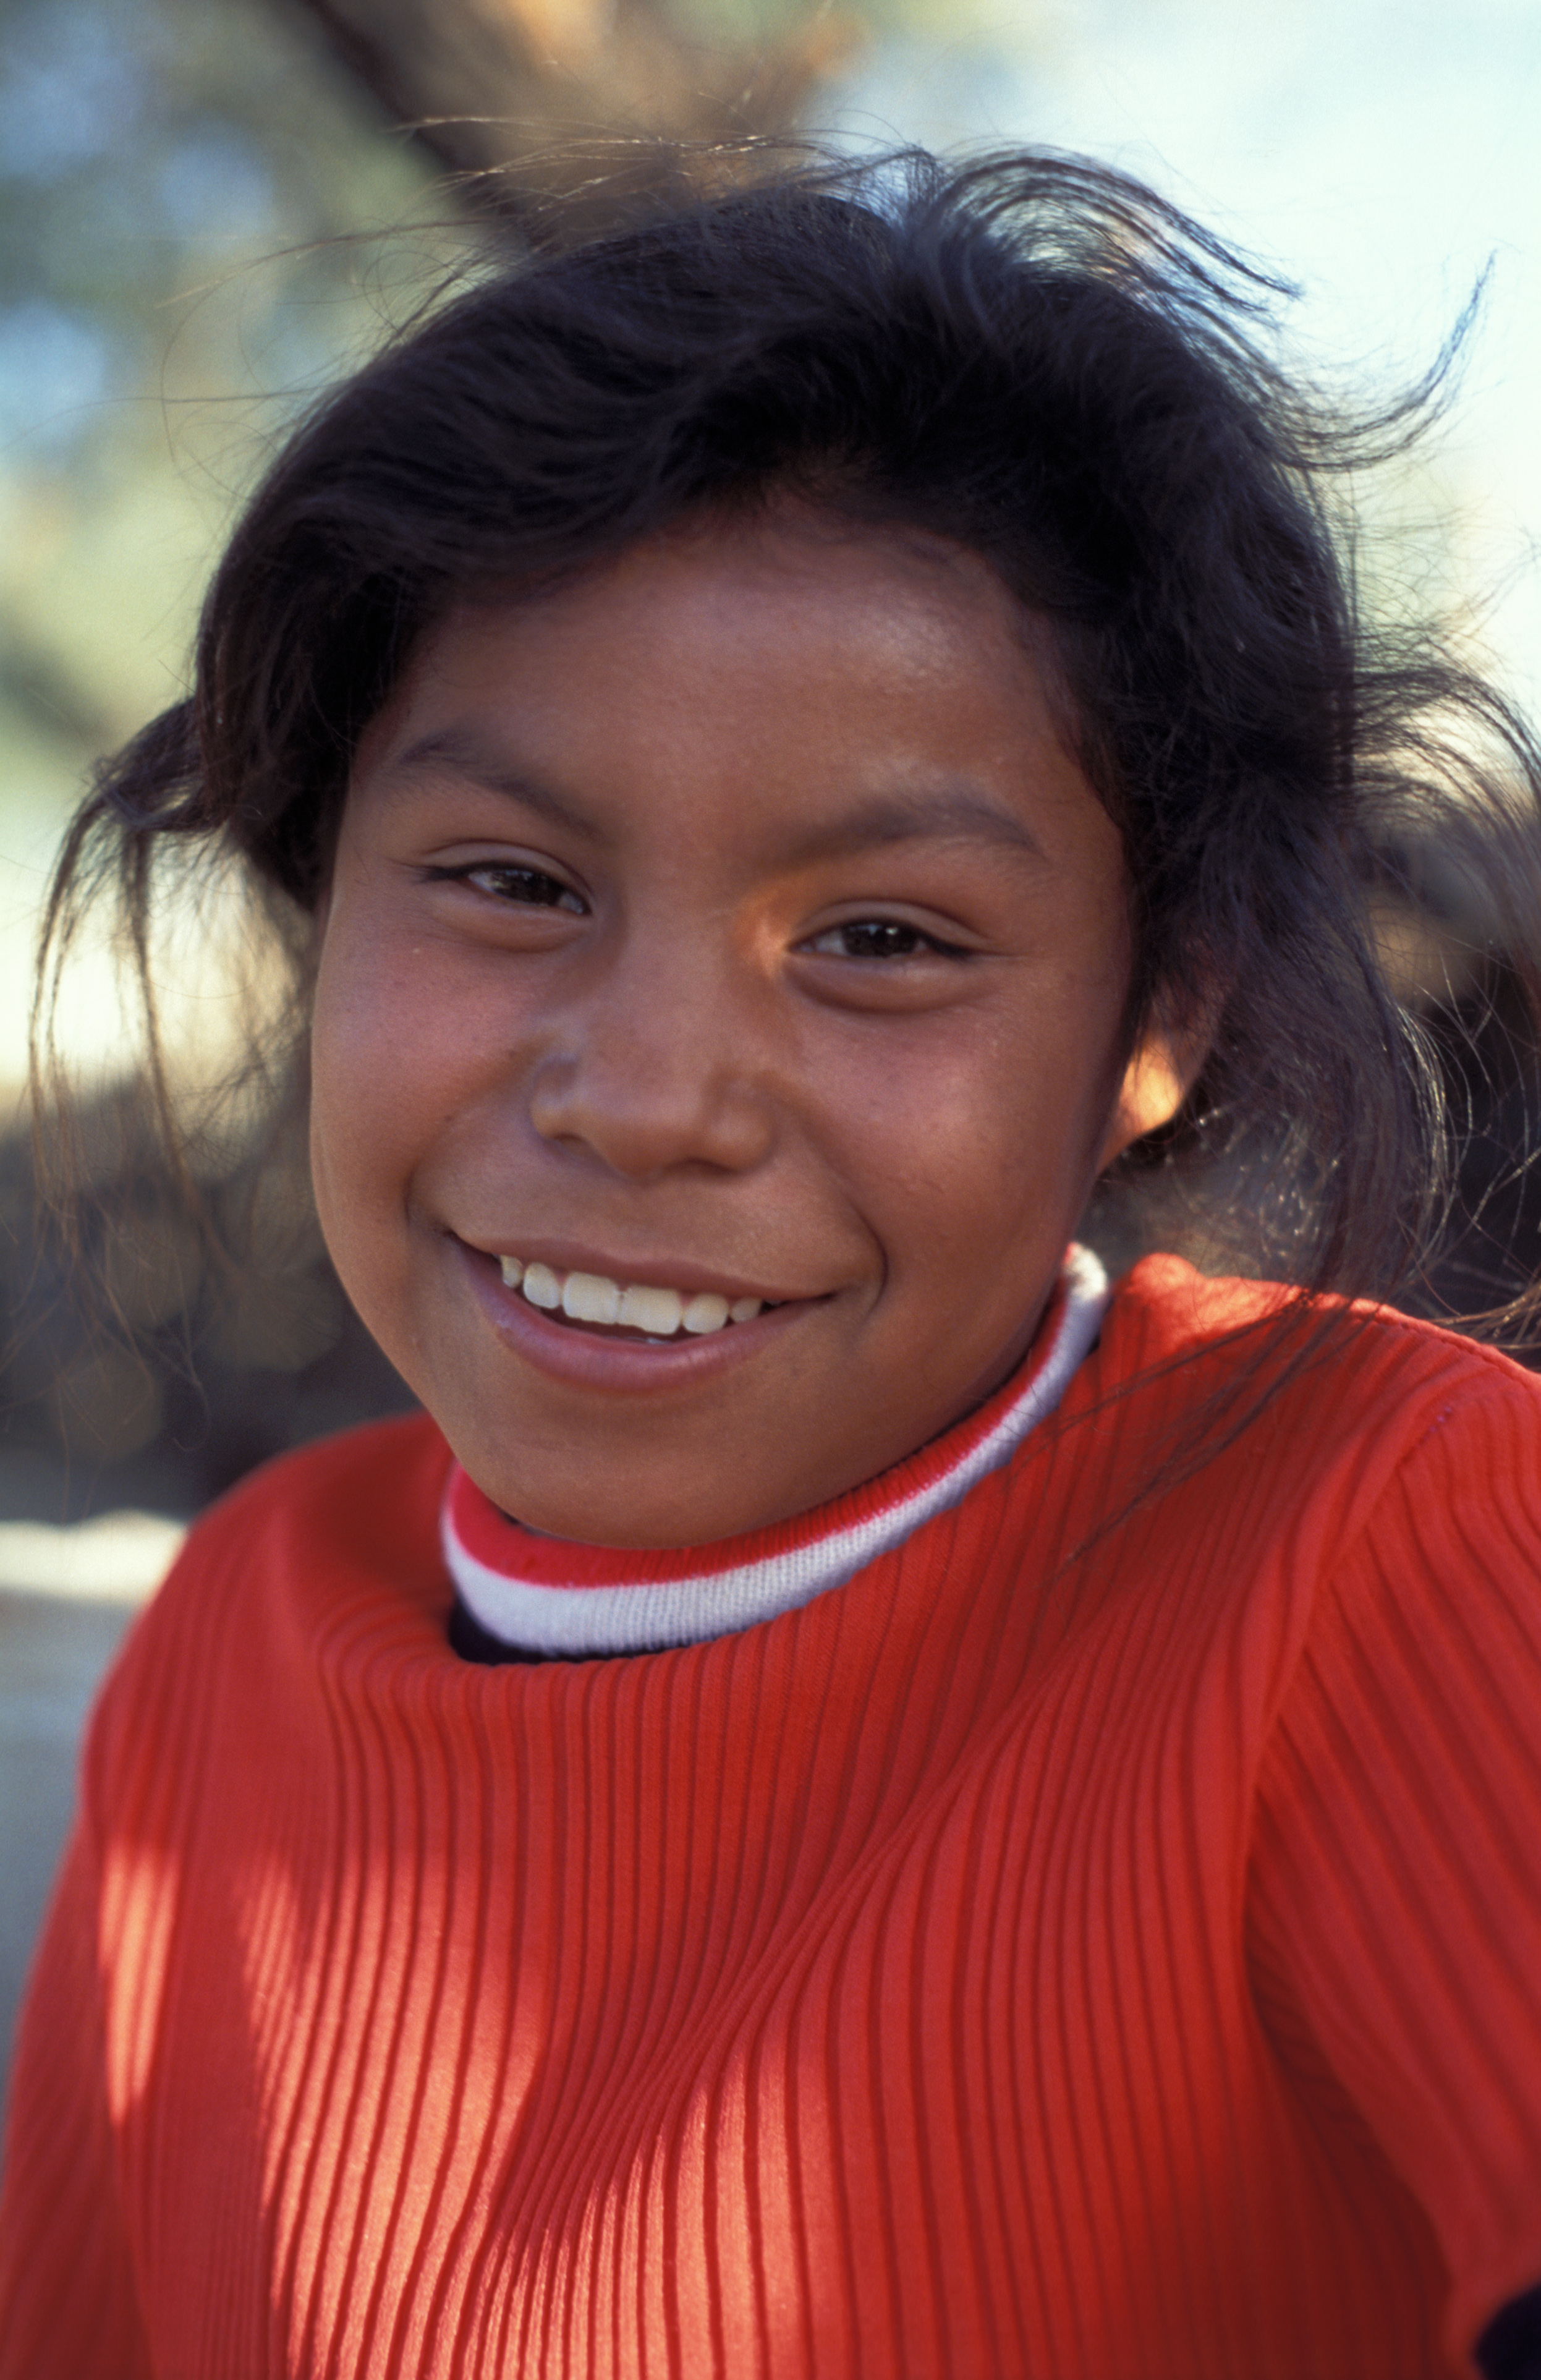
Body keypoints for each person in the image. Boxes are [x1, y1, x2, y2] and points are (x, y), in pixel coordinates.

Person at [1, 147, 1539, 2380]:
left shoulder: (1397, 1543)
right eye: (511, 880)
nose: (646, 1094)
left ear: (1159, 1019)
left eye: (883, 940)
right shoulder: (234, 1638)